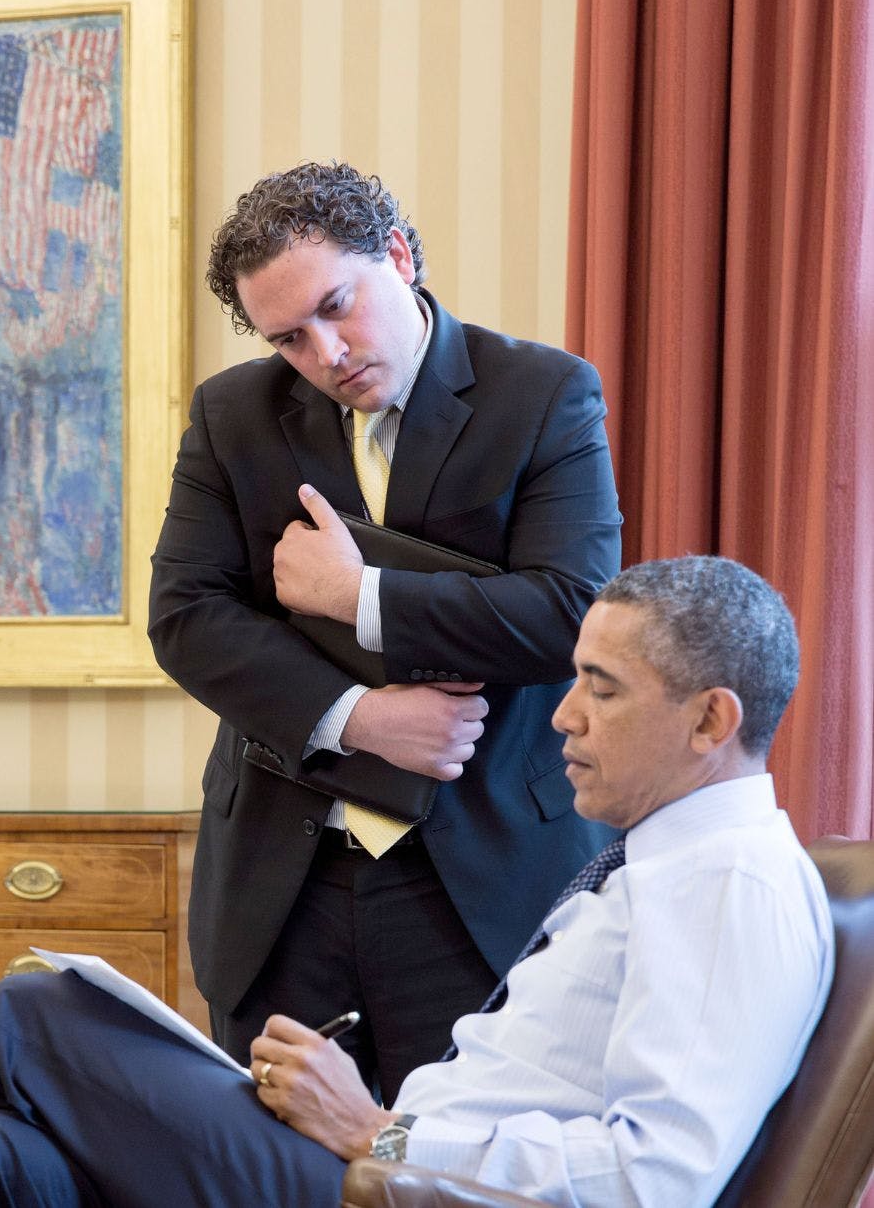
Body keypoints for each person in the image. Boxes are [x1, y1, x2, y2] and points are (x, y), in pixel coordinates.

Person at [0, 555, 834, 1208]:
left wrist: (378, 1132)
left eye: (603, 689)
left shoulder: (728, 883)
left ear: (712, 719)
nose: (563, 717)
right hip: (386, 1168)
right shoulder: (663, 866)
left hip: (385, 1182)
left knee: (36, 1016)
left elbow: (656, 1183)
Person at [148, 161, 622, 1098]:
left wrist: (358, 594)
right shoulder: (230, 415)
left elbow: (571, 611)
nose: (326, 353)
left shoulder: (544, 394)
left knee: (452, 1179)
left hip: (483, 880)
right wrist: (358, 717)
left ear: (397, 256)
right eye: (289, 338)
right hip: (282, 886)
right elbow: (186, 618)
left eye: (338, 307)